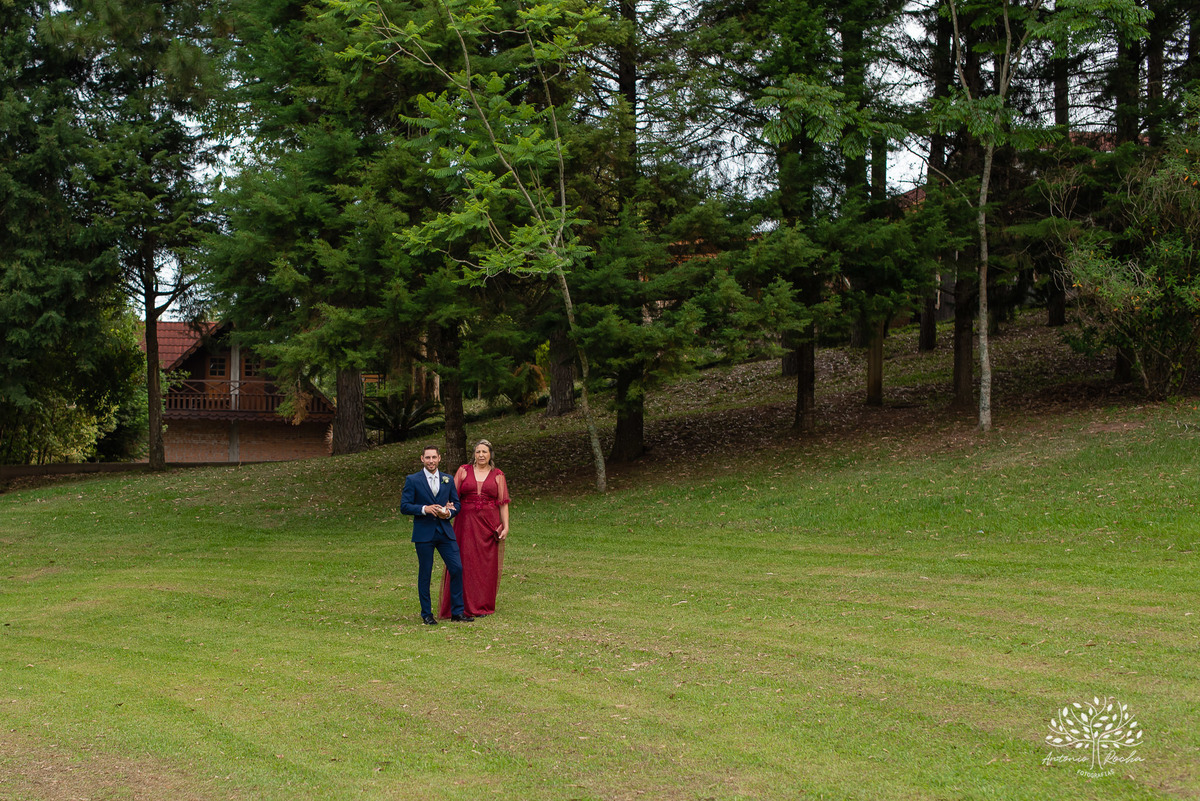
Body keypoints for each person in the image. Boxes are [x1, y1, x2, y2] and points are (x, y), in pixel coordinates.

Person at [400, 445, 473, 625]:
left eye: (434, 457)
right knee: (425, 573)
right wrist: (424, 509)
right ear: (422, 459)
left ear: (439, 458)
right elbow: (405, 506)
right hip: (424, 534)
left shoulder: (447, 479)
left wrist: (448, 513)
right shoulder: (413, 480)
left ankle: (457, 612)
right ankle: (426, 613)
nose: (431, 461)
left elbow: (456, 504)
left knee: (456, 568)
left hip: (444, 532)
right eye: (428, 458)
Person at [438, 439, 510, 619]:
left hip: (488, 525)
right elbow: (451, 494)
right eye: (478, 451)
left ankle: (481, 605)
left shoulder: (498, 475)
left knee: (485, 565)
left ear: (490, 454)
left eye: (484, 452)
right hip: (465, 524)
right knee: (464, 562)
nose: (481, 455)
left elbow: (503, 503)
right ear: (474, 454)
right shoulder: (463, 471)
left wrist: (506, 526)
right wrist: (445, 508)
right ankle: (460, 605)